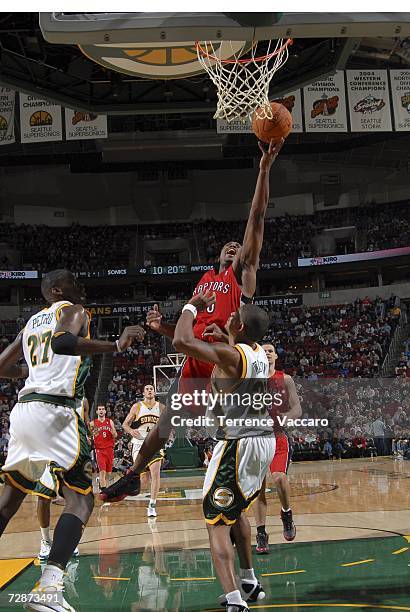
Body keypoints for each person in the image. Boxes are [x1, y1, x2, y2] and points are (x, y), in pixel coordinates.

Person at [100, 138, 284, 502]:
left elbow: (257, 219)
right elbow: (189, 331)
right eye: (228, 247)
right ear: (217, 254)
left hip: (223, 357)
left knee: (230, 428)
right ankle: (133, 475)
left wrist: (263, 169)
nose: (234, 247)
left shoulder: (241, 276)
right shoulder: (204, 281)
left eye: (238, 247)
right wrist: (164, 328)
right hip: (196, 358)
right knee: (165, 423)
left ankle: (246, 490)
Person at [0, 269, 144, 612]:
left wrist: (30, 372)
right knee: (80, 501)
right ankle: (49, 589)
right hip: (55, 412)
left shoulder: (31, 323)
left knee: (9, 501)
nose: (81, 288)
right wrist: (115, 344)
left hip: (24, 410)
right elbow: (63, 342)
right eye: (75, 283)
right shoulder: (73, 310)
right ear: (56, 289)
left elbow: (2, 366)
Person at [172, 292, 274, 612]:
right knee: (237, 511)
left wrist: (192, 306)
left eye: (234, 315)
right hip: (262, 440)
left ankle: (234, 600)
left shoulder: (231, 355)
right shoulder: (257, 351)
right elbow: (235, 349)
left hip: (237, 444)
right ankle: (249, 581)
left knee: (215, 522)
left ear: (240, 325)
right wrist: (228, 336)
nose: (229, 315)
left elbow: (181, 341)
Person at [253, 343, 301, 554]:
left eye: (270, 351)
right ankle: (261, 533)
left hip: (278, 437)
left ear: (275, 356)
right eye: (263, 351)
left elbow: (297, 408)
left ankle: (286, 513)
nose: (267, 353)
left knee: (280, 478)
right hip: (256, 438)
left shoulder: (286, 379)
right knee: (258, 489)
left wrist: (287, 417)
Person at [36, 397, 91, 562]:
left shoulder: (83, 401)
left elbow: (85, 423)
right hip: (49, 450)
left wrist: (87, 433)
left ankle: (68, 540)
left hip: (73, 453)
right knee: (43, 497)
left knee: (75, 499)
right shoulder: (48, 395)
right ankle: (46, 541)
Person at [123, 384, 165, 517]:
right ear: (143, 392)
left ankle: (152, 505)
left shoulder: (162, 407)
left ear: (154, 392)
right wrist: (130, 430)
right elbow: (125, 424)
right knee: (144, 479)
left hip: (154, 445)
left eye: (152, 388)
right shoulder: (137, 407)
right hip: (139, 443)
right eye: (147, 389)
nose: (149, 390)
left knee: (155, 472)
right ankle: (124, 486)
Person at [90, 405, 117, 490]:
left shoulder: (110, 422)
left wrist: (113, 433)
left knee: (108, 473)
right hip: (99, 450)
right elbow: (90, 436)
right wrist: (90, 438)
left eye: (102, 409)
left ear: (105, 411)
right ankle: (104, 491)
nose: (101, 411)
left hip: (109, 449)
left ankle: (101, 484)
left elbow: (115, 435)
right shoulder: (93, 423)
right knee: (102, 472)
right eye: (99, 409)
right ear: (97, 412)